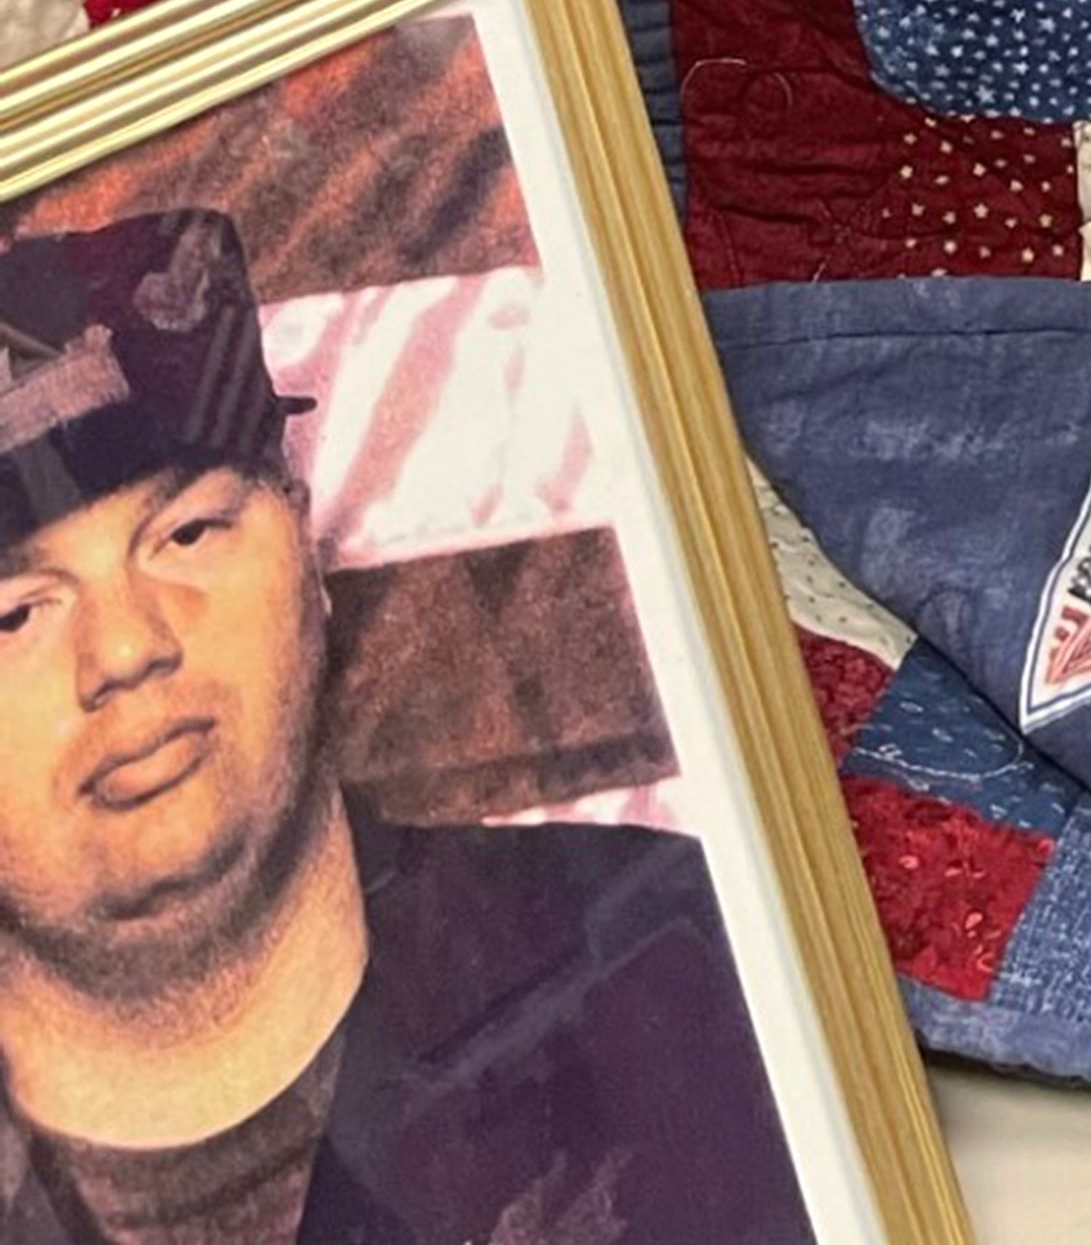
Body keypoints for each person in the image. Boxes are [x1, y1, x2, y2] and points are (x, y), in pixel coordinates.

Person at [0, 208, 816, 1245]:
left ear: (305, 552)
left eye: (190, 531)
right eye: (16, 613)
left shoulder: (692, 965)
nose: (126, 648)